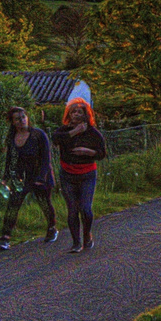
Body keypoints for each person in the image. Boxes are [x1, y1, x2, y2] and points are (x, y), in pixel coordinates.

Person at [0, 106, 57, 250]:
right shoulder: (12, 138)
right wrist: (6, 177)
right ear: (13, 122)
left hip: (41, 174)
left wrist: (41, 178)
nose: (22, 120)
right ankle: (5, 237)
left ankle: (52, 228)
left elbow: (46, 159)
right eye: (18, 118)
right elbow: (10, 160)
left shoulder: (38, 135)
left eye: (23, 117)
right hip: (22, 177)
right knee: (13, 204)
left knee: (44, 203)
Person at [53, 98, 108, 253]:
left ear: (86, 115)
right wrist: (74, 132)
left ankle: (87, 235)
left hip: (87, 174)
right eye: (73, 112)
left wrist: (88, 152)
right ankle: (76, 243)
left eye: (80, 112)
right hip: (68, 175)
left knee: (85, 208)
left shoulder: (93, 133)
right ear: (69, 114)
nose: (76, 114)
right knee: (72, 209)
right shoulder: (63, 131)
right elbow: (56, 140)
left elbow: (102, 153)